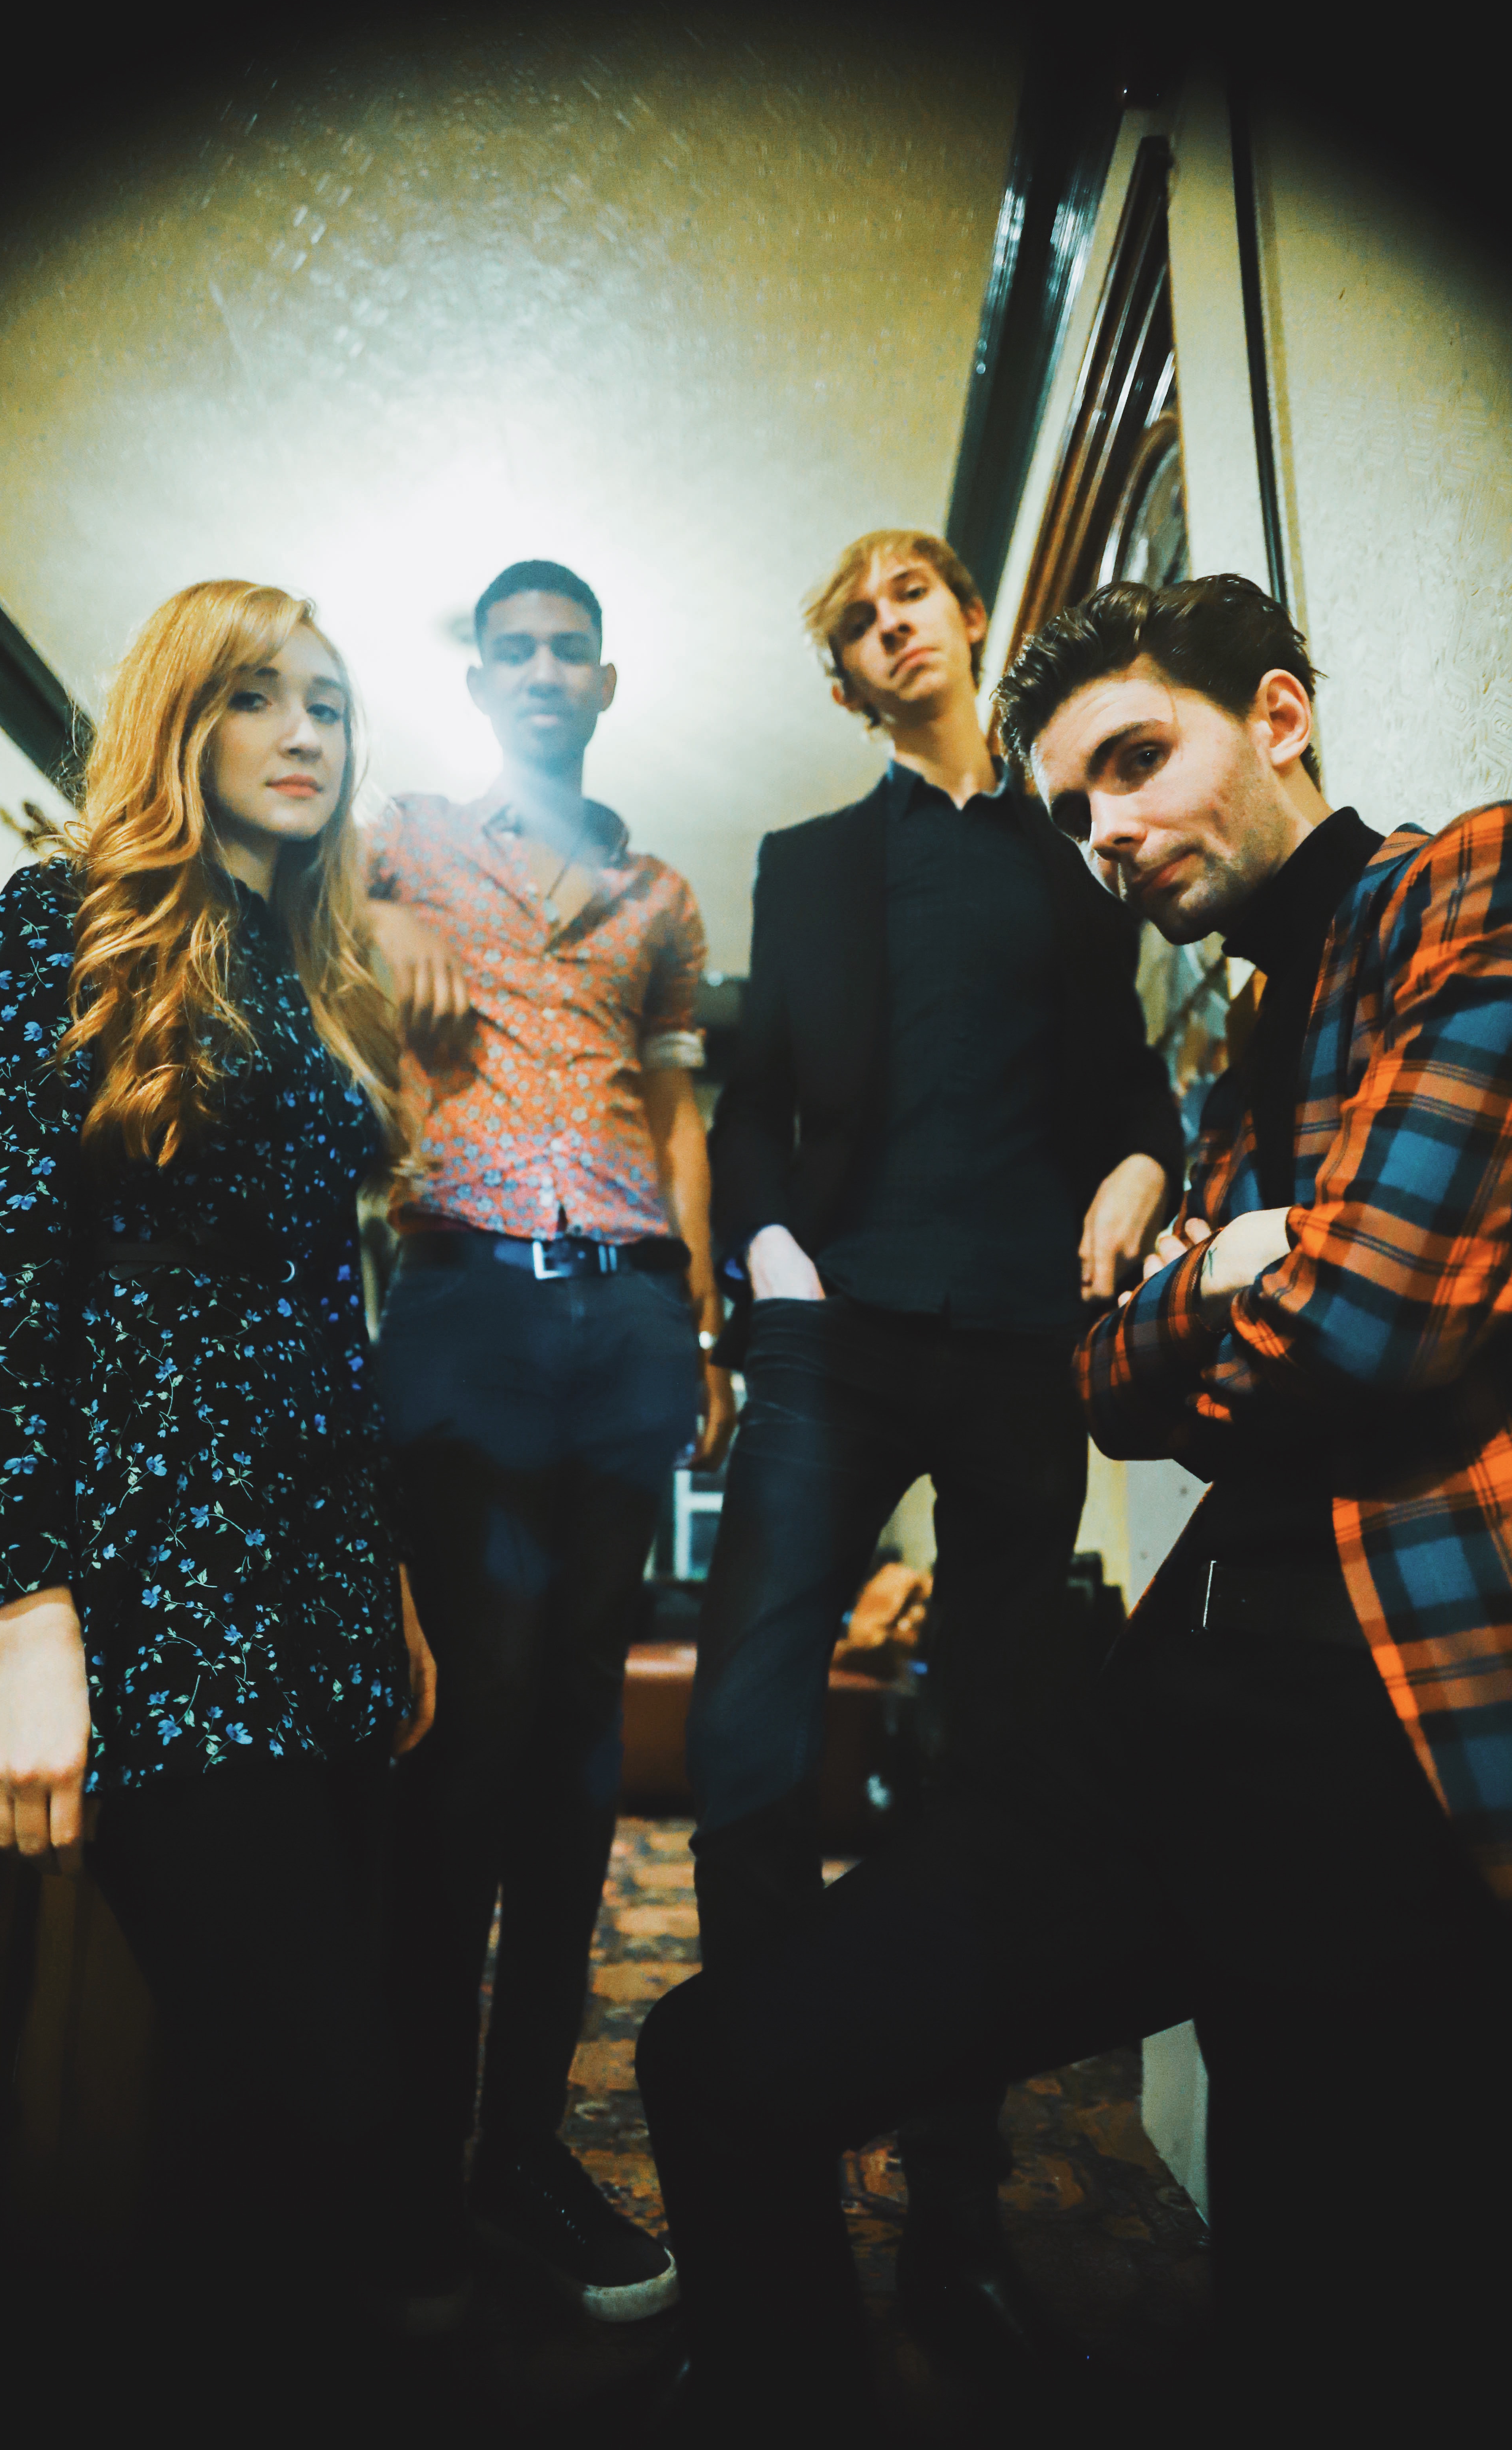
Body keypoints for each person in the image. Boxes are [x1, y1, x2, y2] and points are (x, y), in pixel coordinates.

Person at [637, 573, 1512, 2435]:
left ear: (1276, 716)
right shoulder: (1234, 1039)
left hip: (1374, 1727)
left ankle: (976, 2250)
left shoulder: (1468, 889)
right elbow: (1113, 1385)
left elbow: (1361, 1323)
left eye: (1134, 760)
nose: (1102, 832)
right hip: (1157, 1689)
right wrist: (1216, 1272)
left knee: (1325, 2333)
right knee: (714, 2028)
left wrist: (1198, 1270)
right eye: (1072, 801)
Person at [0, 580, 433, 2352]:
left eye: (331, 705)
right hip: (157, 1582)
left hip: (317, 1590)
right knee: (323, 2095)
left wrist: (386, 1583)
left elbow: (324, 1322)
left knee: (244, 2124)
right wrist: (24, 1620)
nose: (305, 734)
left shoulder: (310, 974)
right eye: (258, 696)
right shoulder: (62, 917)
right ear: (179, 720)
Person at [685, 527, 1181, 2332]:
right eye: (853, 622)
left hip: (1021, 1348)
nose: (886, 626)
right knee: (744, 1744)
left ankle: (955, 2213)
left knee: (993, 1764)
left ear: (968, 617)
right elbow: (750, 1101)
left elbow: (1131, 1093)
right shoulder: (807, 861)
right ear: (843, 679)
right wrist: (771, 1260)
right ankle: (769, 2198)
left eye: (908, 596)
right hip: (834, 1339)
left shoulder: (1080, 849)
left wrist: (1141, 1169)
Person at [364, 559, 735, 2322]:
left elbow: (676, 1106)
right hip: (464, 1305)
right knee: (470, 1725)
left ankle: (517, 2149)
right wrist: (375, 932)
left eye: (563, 650)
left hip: (629, 1317)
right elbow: (289, 932)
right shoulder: (398, 840)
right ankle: (405, 2170)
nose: (535, 669)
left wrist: (700, 1321)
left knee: (581, 1747)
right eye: (507, 648)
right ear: (478, 679)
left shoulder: (661, 895)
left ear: (603, 681)